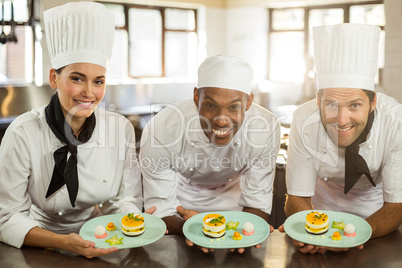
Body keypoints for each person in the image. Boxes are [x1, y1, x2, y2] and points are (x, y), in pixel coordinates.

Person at [0, 2, 153, 258]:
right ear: (54, 78)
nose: (89, 93)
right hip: (35, 241)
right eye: (77, 78)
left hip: (101, 239)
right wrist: (63, 242)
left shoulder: (119, 129)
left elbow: (122, 200)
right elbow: (7, 216)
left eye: (99, 81)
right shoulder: (23, 132)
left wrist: (135, 220)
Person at [140, 55, 280, 253]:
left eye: (234, 107)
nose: (221, 120)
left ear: (248, 102)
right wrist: (188, 228)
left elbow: (258, 198)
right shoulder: (162, 129)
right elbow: (160, 205)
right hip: (181, 206)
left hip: (235, 204)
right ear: (197, 97)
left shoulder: (266, 128)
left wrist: (246, 230)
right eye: (211, 105)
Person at [281, 23, 402, 254]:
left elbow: (396, 205)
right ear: (318, 101)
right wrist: (313, 232)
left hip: (377, 217)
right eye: (331, 104)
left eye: (354, 105)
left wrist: (349, 237)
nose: (342, 119)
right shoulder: (304, 121)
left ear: (373, 102)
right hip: (319, 213)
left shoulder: (397, 122)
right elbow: (297, 196)